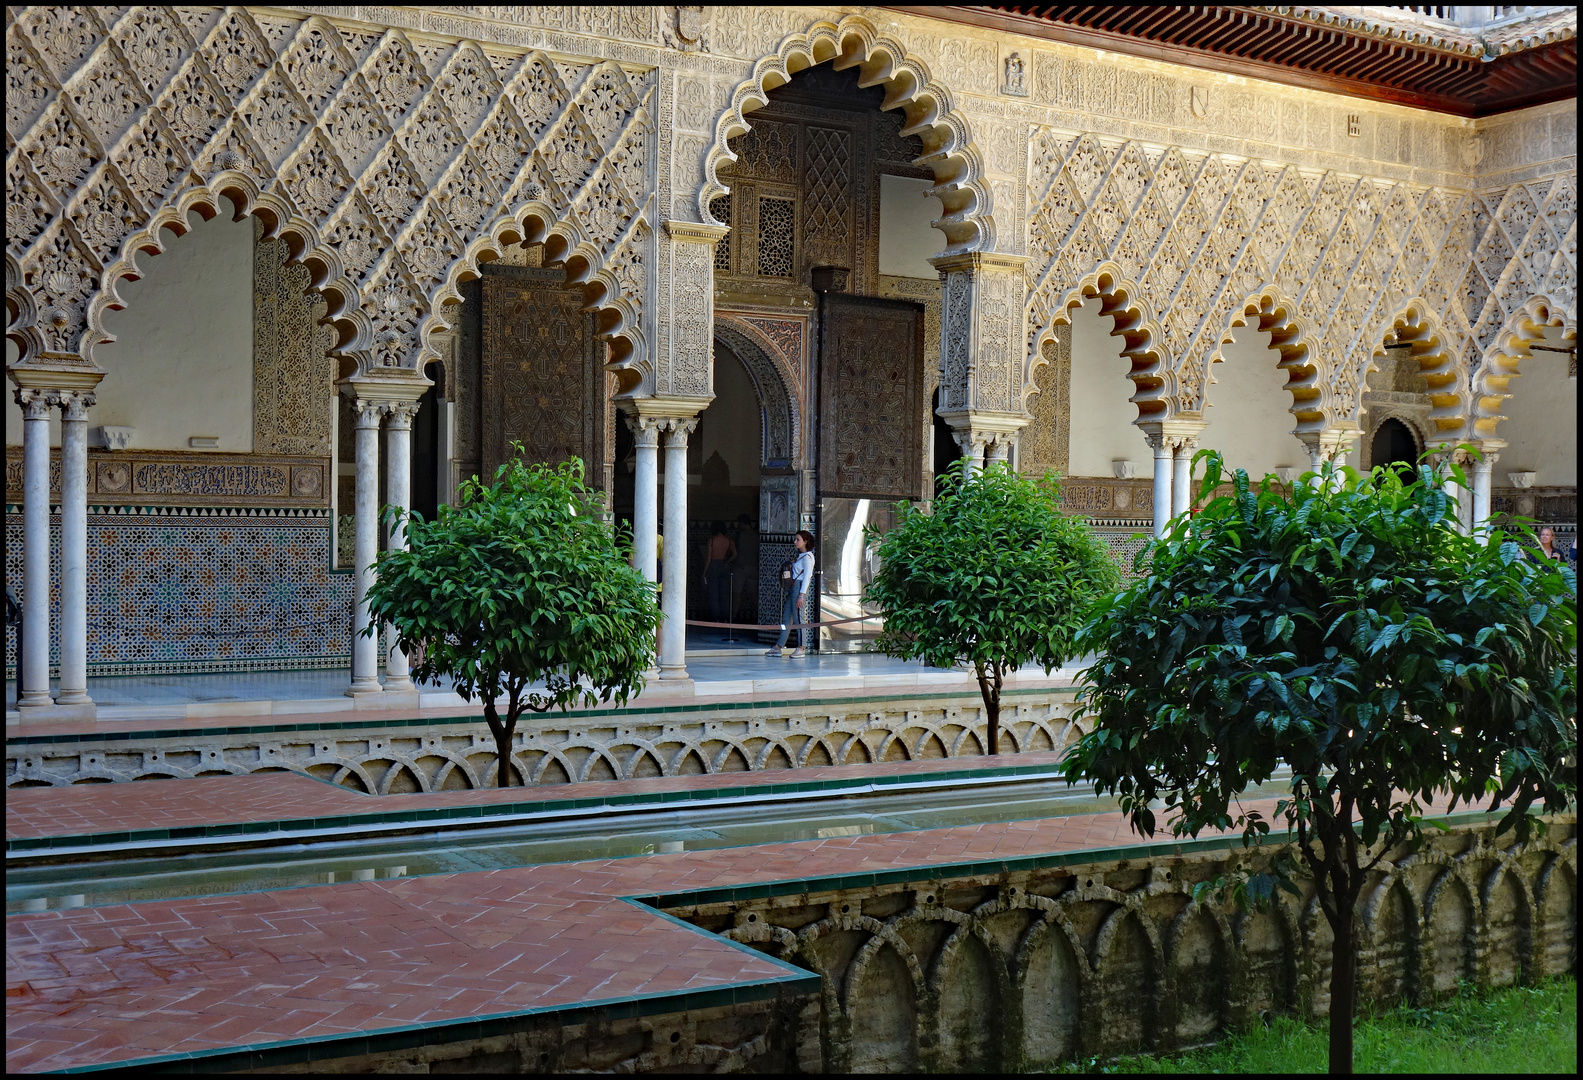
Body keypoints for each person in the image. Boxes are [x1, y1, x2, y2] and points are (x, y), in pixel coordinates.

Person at [767, 530, 815, 658]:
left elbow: (807, 577)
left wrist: (801, 595)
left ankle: (801, 647)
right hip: (794, 588)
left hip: (799, 589)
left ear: (805, 541)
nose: (795, 542)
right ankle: (778, 646)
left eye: (798, 539)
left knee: (799, 618)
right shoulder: (800, 556)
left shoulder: (808, 558)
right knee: (787, 618)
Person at [702, 523, 737, 625]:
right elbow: (735, 554)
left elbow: (708, 557)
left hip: (713, 566)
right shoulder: (728, 540)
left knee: (713, 594)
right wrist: (727, 562)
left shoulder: (712, 540)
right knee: (724, 594)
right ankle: (726, 617)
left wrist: (704, 573)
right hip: (723, 566)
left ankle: (716, 617)